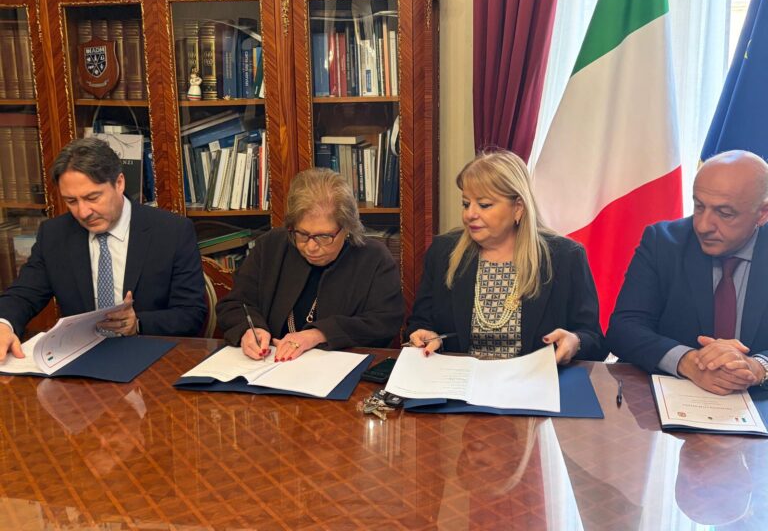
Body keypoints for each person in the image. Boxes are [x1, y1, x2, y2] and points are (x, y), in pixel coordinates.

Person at [0, 137, 207, 361]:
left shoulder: (172, 232)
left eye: (92, 197)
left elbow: (191, 314)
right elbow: (23, 295)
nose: (83, 212)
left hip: (151, 358)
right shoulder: (54, 234)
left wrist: (137, 323)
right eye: (71, 201)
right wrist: (4, 325)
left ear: (119, 183)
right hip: (80, 359)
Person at [406, 151, 606, 362]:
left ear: (518, 208)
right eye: (466, 204)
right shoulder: (443, 252)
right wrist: (425, 335)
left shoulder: (565, 257)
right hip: (460, 379)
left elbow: (594, 339)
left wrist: (575, 341)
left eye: (484, 205)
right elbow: (421, 322)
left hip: (533, 379)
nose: (469, 214)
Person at [607, 150, 768, 395]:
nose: (703, 226)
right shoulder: (663, 242)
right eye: (699, 206)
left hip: (758, 402)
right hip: (669, 396)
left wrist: (758, 367)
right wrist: (687, 361)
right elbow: (624, 329)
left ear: (763, 213)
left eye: (725, 213)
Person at [217, 167, 404, 361]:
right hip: (270, 365)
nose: (311, 247)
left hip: (339, 369)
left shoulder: (374, 258)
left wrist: (319, 334)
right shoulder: (271, 246)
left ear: (347, 227)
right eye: (302, 234)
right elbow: (234, 304)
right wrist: (250, 329)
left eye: (324, 236)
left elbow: (385, 322)